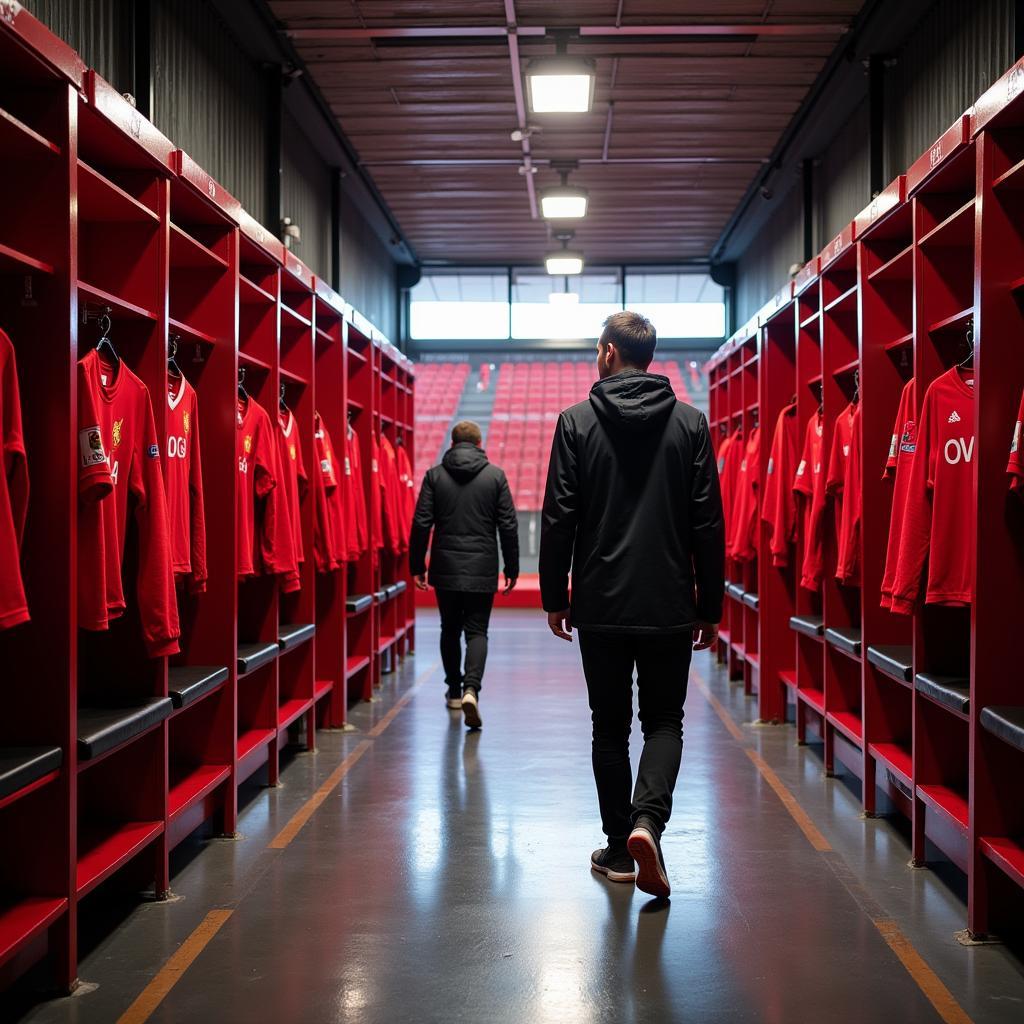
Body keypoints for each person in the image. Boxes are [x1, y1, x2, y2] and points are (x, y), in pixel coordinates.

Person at [539, 312, 725, 899]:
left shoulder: (575, 423)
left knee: (609, 727)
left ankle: (620, 849)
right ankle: (649, 822)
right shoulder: (691, 424)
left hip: (600, 602)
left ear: (607, 353)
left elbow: (559, 516)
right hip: (670, 601)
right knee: (665, 721)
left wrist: (554, 596)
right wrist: (710, 604)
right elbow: (708, 524)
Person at [410, 420, 519, 729]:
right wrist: (511, 567)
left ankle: (455, 691)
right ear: (479, 443)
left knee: (449, 629)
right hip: (482, 566)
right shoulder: (495, 476)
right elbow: (508, 526)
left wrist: (417, 564)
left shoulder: (435, 476)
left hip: (445, 566)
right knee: (477, 631)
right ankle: (473, 689)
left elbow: (421, 524)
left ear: (453, 443)